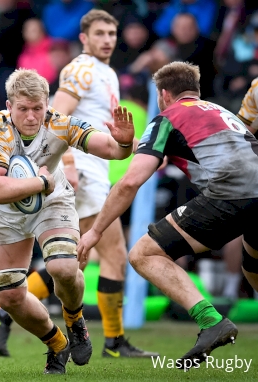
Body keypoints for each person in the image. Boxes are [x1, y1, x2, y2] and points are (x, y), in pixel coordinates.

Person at [0, 9, 157, 359]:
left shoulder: (105, 72)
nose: (107, 39)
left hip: (90, 171)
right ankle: (112, 340)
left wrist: (130, 144)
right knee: (94, 258)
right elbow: (54, 114)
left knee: (76, 262)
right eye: (100, 33)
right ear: (84, 38)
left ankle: (6, 313)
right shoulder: (81, 68)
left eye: (112, 33)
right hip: (81, 176)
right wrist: (70, 165)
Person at [77, 61, 254, 368]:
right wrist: (130, 143)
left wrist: (94, 232)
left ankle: (210, 320)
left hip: (229, 193)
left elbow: (131, 181)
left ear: (163, 95)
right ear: (195, 91)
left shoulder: (167, 117)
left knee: (144, 254)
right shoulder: (222, 113)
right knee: (254, 272)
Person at [0, 68, 135, 374]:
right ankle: (57, 343)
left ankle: (75, 320)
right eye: (23, 109)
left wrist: (124, 144)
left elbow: (110, 148)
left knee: (63, 266)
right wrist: (39, 183)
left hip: (52, 203)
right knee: (9, 298)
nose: (32, 116)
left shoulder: (58, 123)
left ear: (47, 103)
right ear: (9, 106)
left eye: (38, 108)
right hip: (5, 213)